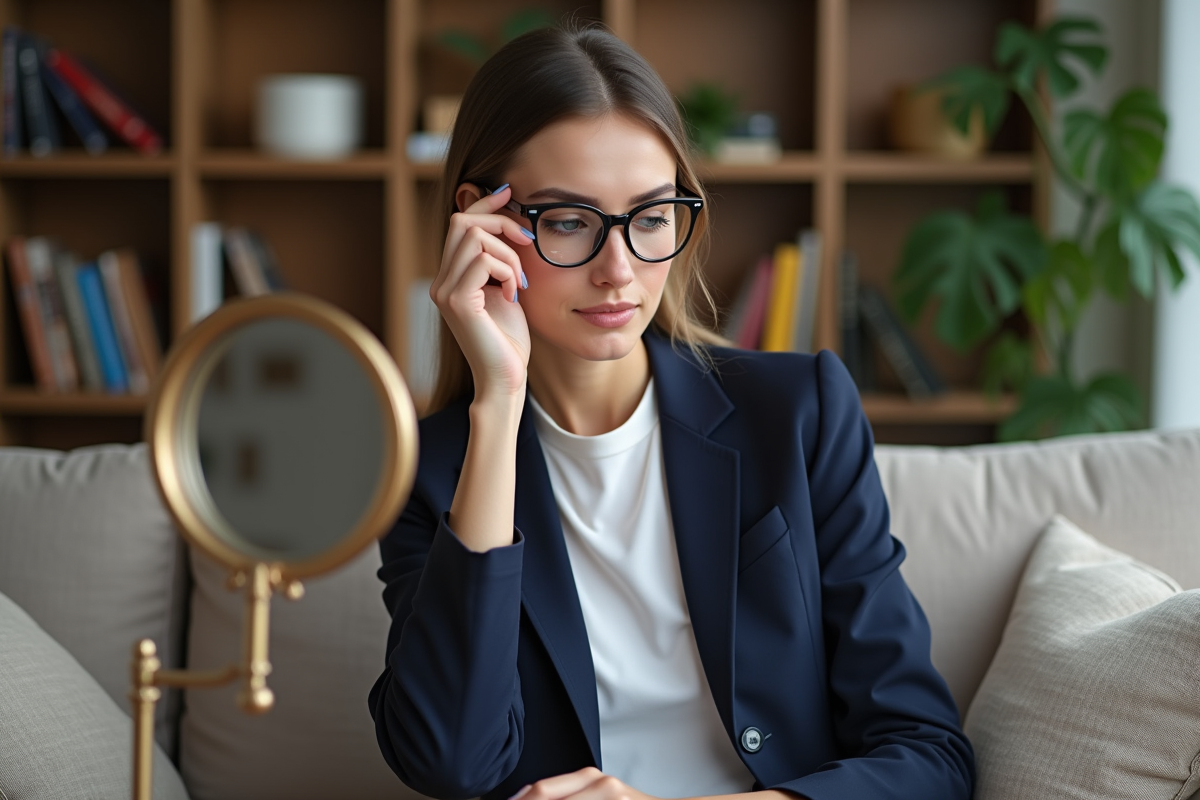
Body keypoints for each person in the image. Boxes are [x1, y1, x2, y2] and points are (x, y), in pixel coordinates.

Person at [368, 21, 974, 800]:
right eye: (568, 222)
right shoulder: (430, 471)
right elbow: (451, 763)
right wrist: (499, 404)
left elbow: (928, 756)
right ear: (482, 225)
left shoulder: (798, 412)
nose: (619, 272)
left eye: (651, 219)